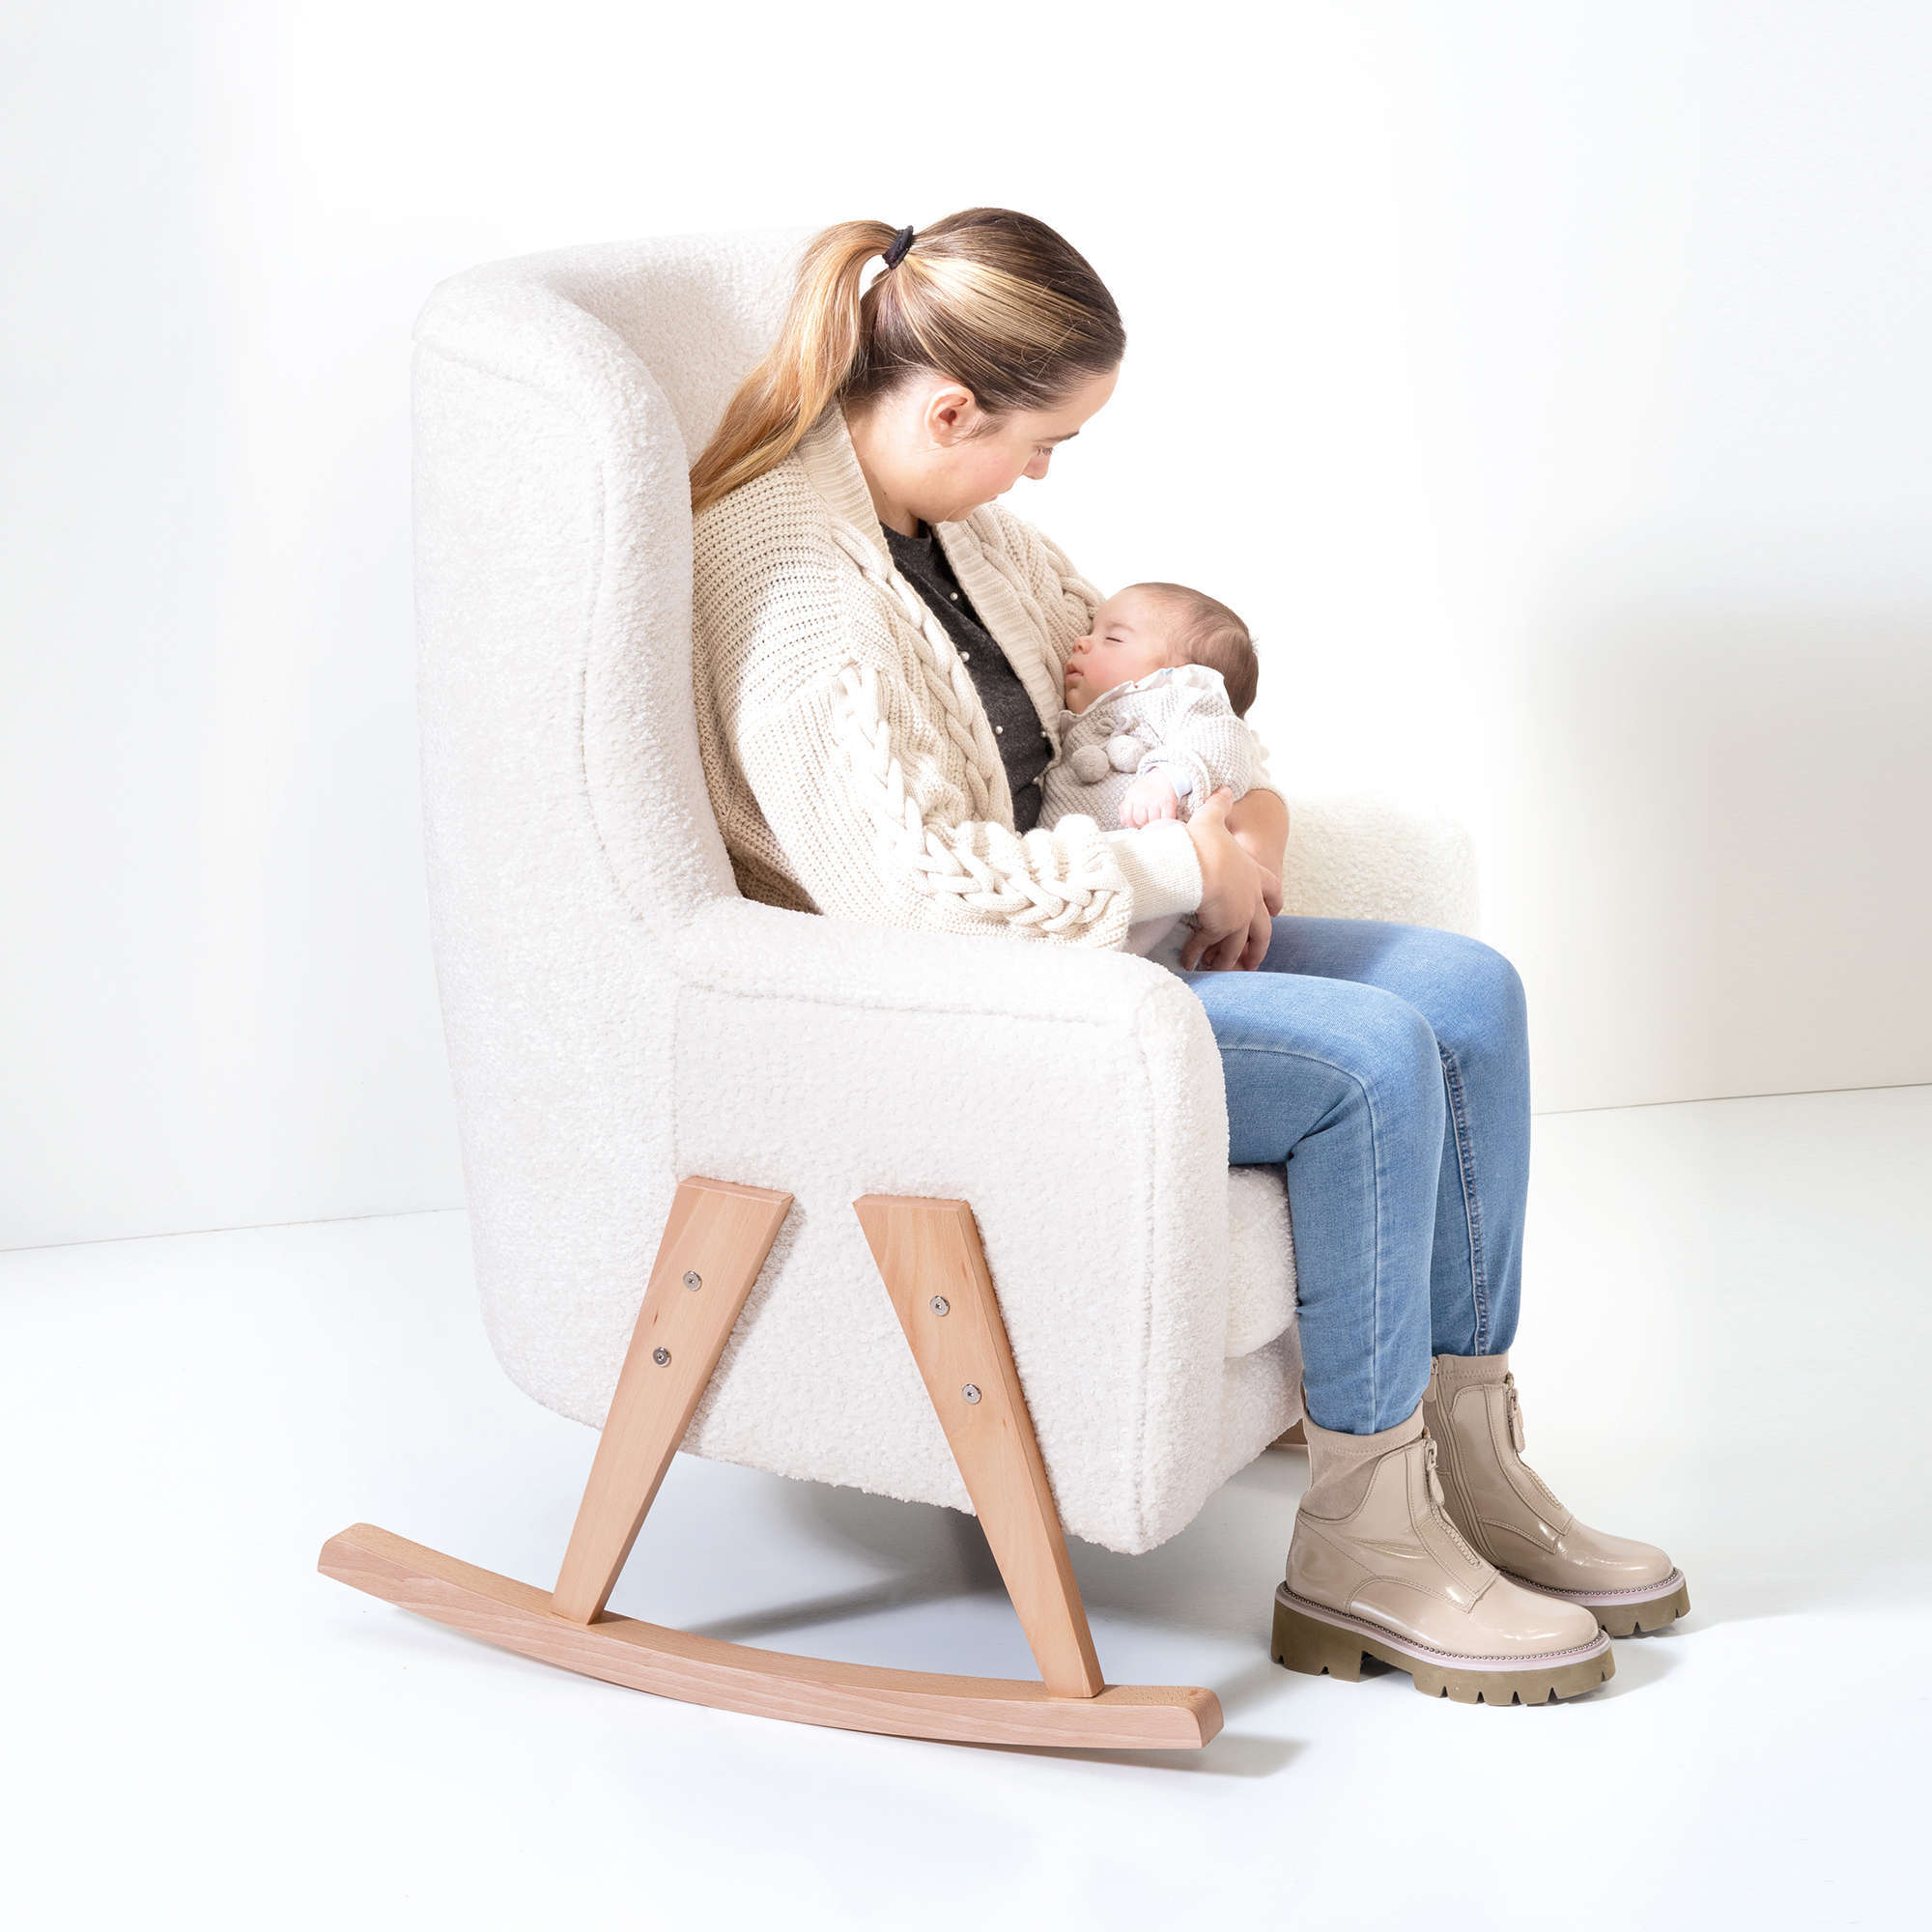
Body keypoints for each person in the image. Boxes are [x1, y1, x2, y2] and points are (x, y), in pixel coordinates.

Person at [690, 209, 1688, 1705]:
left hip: (1100, 955)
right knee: (1363, 1064)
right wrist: (1174, 866)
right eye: (1046, 443)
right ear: (955, 406)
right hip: (952, 1010)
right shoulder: (794, 582)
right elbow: (905, 899)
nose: (1045, 478)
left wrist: (1253, 838)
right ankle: (1365, 1543)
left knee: (1466, 991)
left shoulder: (965, 526)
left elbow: (1169, 705)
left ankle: (1465, 1461)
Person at [1040, 581, 1265, 967]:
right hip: (1084, 891)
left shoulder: (1175, 698)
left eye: (1112, 638)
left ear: (1179, 673)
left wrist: (1168, 778)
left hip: (1169, 898)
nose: (1080, 641)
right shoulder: (1083, 719)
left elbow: (1226, 741)